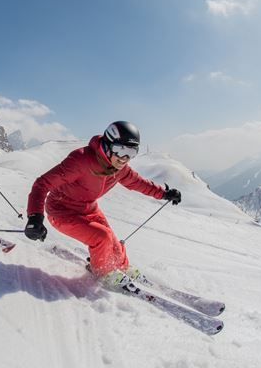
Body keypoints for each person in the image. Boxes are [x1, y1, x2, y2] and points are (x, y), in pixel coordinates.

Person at [23, 121, 182, 288]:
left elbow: (138, 183)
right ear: (107, 144)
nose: (124, 158)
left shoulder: (120, 169)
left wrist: (164, 193)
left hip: (88, 209)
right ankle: (103, 273)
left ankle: (122, 267)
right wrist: (35, 216)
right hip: (62, 212)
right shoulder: (81, 160)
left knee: (114, 245)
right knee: (102, 237)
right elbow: (42, 184)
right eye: (121, 150)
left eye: (131, 152)